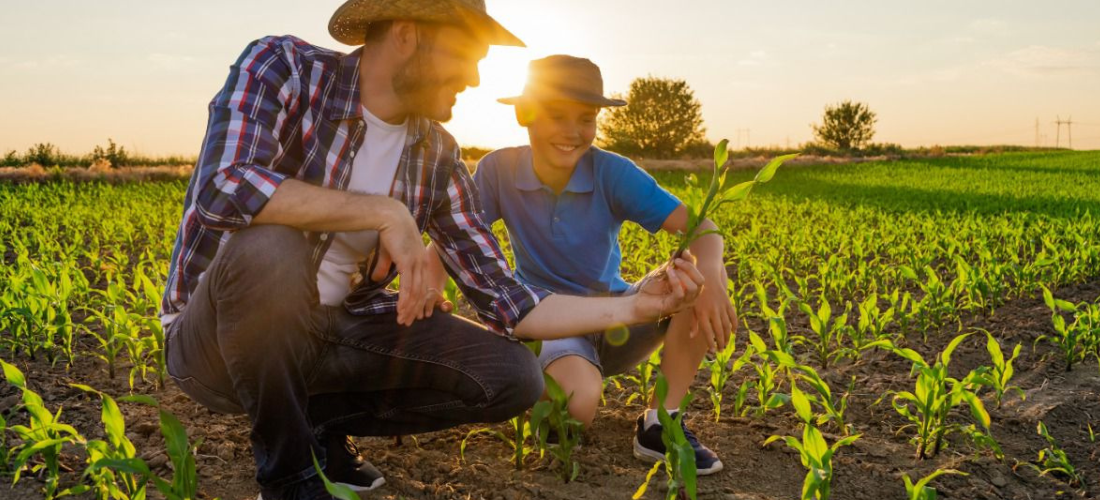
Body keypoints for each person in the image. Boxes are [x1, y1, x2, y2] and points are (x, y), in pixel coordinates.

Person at [160, 2, 705, 499]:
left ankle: (317, 424)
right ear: (407, 34)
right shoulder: (283, 66)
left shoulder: (437, 153)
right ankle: (290, 478)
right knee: (270, 246)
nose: (473, 78)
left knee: (512, 375)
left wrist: (640, 306)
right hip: (216, 344)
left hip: (338, 335)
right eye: (468, 57)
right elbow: (222, 187)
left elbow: (510, 301)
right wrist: (382, 212)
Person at [463, 55, 736, 476]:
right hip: (552, 323)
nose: (573, 132)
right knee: (574, 412)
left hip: (620, 314)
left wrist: (713, 276)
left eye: (586, 118)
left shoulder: (611, 172)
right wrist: (425, 270)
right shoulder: (499, 170)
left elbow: (702, 226)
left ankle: (661, 424)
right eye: (557, 115)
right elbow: (458, 234)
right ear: (525, 114)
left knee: (692, 281)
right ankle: (539, 384)